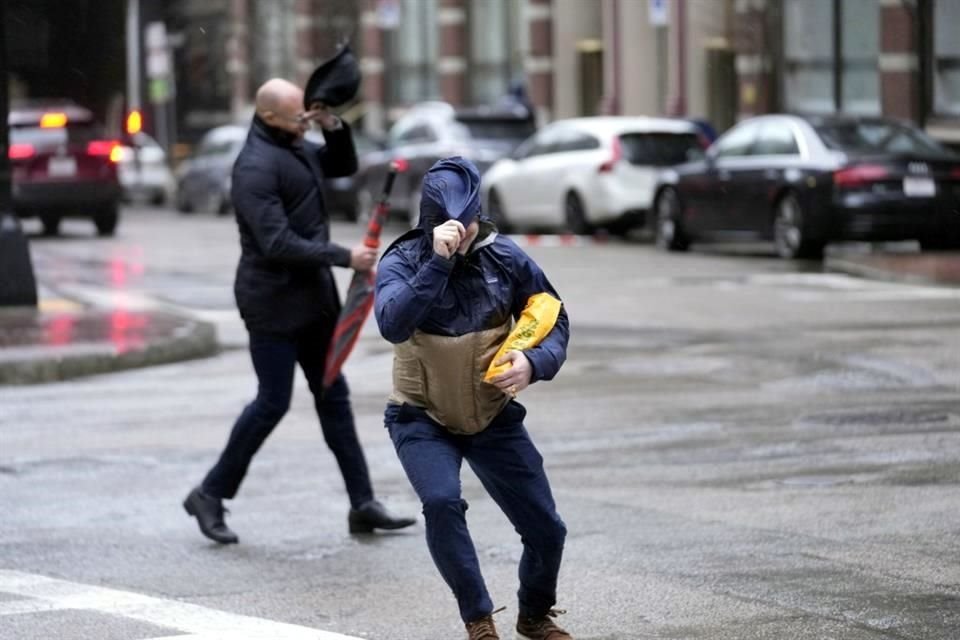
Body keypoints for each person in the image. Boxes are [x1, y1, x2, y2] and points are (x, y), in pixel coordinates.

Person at [183, 77, 415, 544]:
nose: (304, 122)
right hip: (270, 300)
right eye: (298, 116)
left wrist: (333, 125)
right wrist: (342, 257)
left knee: (334, 395)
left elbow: (343, 164)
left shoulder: (295, 147)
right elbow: (276, 242)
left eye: (307, 116)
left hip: (313, 298)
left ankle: (362, 503)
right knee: (273, 400)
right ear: (268, 116)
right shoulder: (253, 167)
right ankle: (209, 493)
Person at [374, 157, 574, 640]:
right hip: (420, 416)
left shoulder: (506, 258)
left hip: (492, 414)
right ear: (430, 220)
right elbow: (392, 323)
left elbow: (554, 315)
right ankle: (478, 619)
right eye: (449, 223)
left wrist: (535, 363)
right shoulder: (401, 261)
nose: (460, 232)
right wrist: (437, 265)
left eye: (466, 222)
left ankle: (534, 614)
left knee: (547, 528)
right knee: (442, 502)